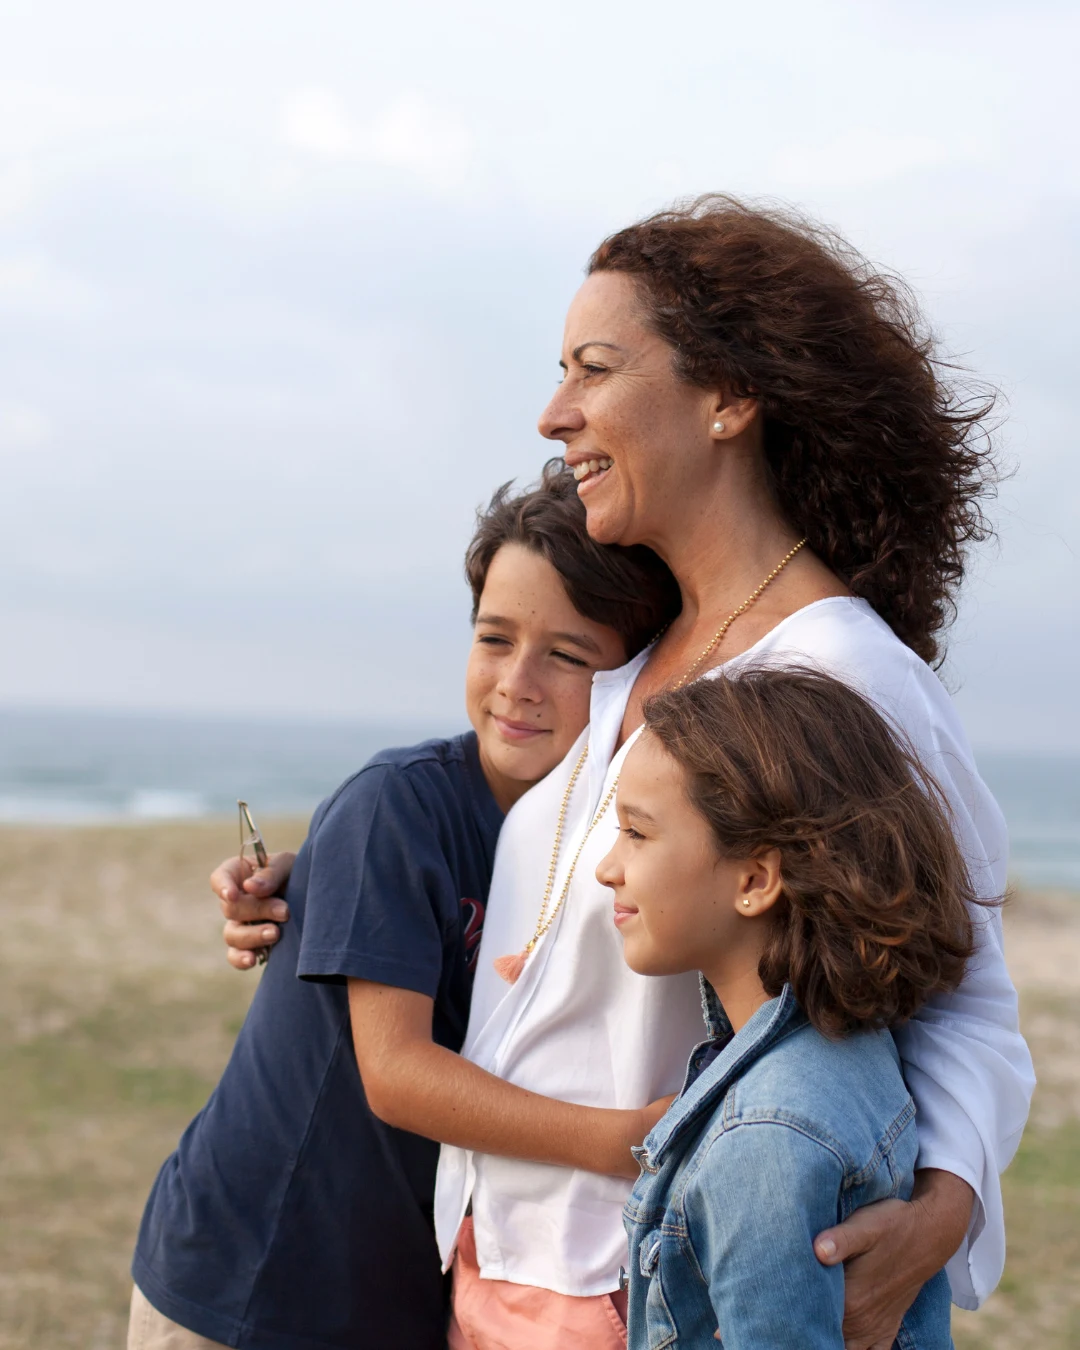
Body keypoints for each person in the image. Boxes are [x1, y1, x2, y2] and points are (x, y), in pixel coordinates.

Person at [224, 196, 1034, 1349]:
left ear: (728, 398)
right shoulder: (630, 655)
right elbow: (560, 889)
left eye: (594, 371)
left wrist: (941, 1209)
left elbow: (968, 995)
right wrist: (330, 884)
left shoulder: (843, 671)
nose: (556, 414)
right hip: (497, 1265)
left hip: (651, 1288)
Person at [128, 464, 680, 1350]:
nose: (518, 682)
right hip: (252, 1281)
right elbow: (397, 1074)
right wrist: (625, 1142)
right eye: (495, 638)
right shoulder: (396, 808)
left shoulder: (611, 848)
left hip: (405, 1297)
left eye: (569, 655)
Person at [605, 667, 982, 1349]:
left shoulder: (766, 1141)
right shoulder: (852, 1041)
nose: (608, 866)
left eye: (636, 832)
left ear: (754, 880)